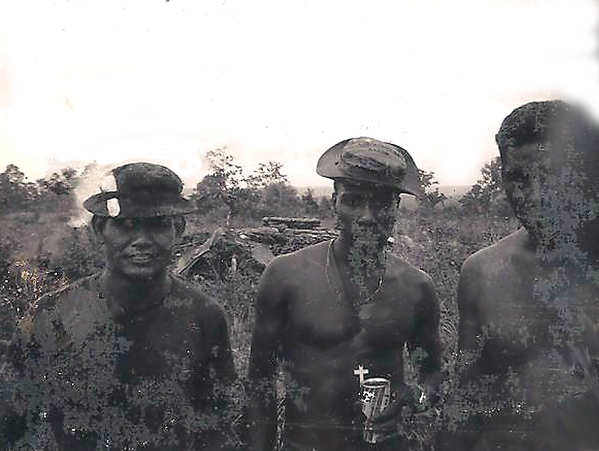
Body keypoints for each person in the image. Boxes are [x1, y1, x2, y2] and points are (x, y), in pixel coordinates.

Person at [0, 162, 238, 451]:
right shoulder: (52, 314)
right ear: (99, 228)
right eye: (125, 226)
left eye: (159, 224)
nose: (141, 241)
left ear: (180, 229)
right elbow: (11, 421)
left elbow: (218, 428)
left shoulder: (204, 317)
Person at [245, 137, 443, 451]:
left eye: (380, 203)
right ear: (333, 202)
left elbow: (433, 375)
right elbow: (259, 382)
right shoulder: (285, 275)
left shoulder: (416, 287)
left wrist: (412, 396)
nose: (366, 215)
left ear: (396, 208)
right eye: (353, 200)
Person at [446, 100, 599, 451]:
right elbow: (466, 402)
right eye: (518, 178)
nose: (535, 197)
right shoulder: (483, 272)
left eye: (552, 176)